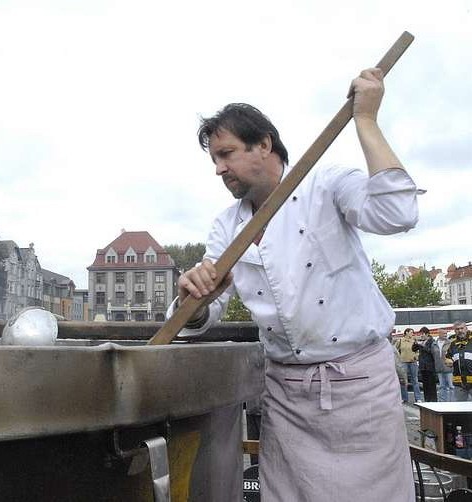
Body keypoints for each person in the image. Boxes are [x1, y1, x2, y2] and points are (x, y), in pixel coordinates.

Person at [168, 68, 420, 501]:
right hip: (286, 396)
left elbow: (398, 212)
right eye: (214, 159)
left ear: (264, 144)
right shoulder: (226, 227)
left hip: (360, 388)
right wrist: (194, 294)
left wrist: (366, 121)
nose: (218, 169)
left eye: (226, 154)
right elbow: (200, 315)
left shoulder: (326, 185)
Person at [445, 320, 472, 401]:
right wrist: (447, 361)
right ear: (454, 331)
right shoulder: (453, 344)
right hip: (459, 382)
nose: (460, 331)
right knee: (460, 407)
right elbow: (448, 357)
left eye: (462, 328)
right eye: (457, 329)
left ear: (466, 328)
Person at [395, 328, 423, 403]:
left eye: (413, 332)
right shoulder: (400, 341)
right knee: (403, 380)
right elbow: (395, 350)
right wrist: (399, 359)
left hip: (413, 362)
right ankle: (404, 398)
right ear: (406, 333)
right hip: (403, 362)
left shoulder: (414, 341)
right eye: (411, 332)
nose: (412, 334)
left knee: (415, 380)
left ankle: (418, 398)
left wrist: (416, 357)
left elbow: (417, 350)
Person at [412, 327, 437, 402]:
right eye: (420, 334)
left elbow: (431, 351)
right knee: (425, 385)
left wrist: (423, 345)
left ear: (427, 334)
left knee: (431, 385)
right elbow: (413, 349)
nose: (421, 335)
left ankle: (433, 401)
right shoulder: (421, 341)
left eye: (422, 334)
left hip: (430, 366)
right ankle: (427, 400)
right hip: (423, 366)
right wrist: (415, 343)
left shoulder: (432, 341)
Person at [432, 328, 454, 401]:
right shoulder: (434, 344)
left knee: (451, 386)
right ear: (439, 334)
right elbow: (433, 355)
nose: (445, 335)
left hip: (448, 367)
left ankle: (452, 401)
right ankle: (442, 401)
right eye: (444, 333)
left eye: (446, 334)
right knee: (441, 386)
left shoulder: (450, 343)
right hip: (439, 368)